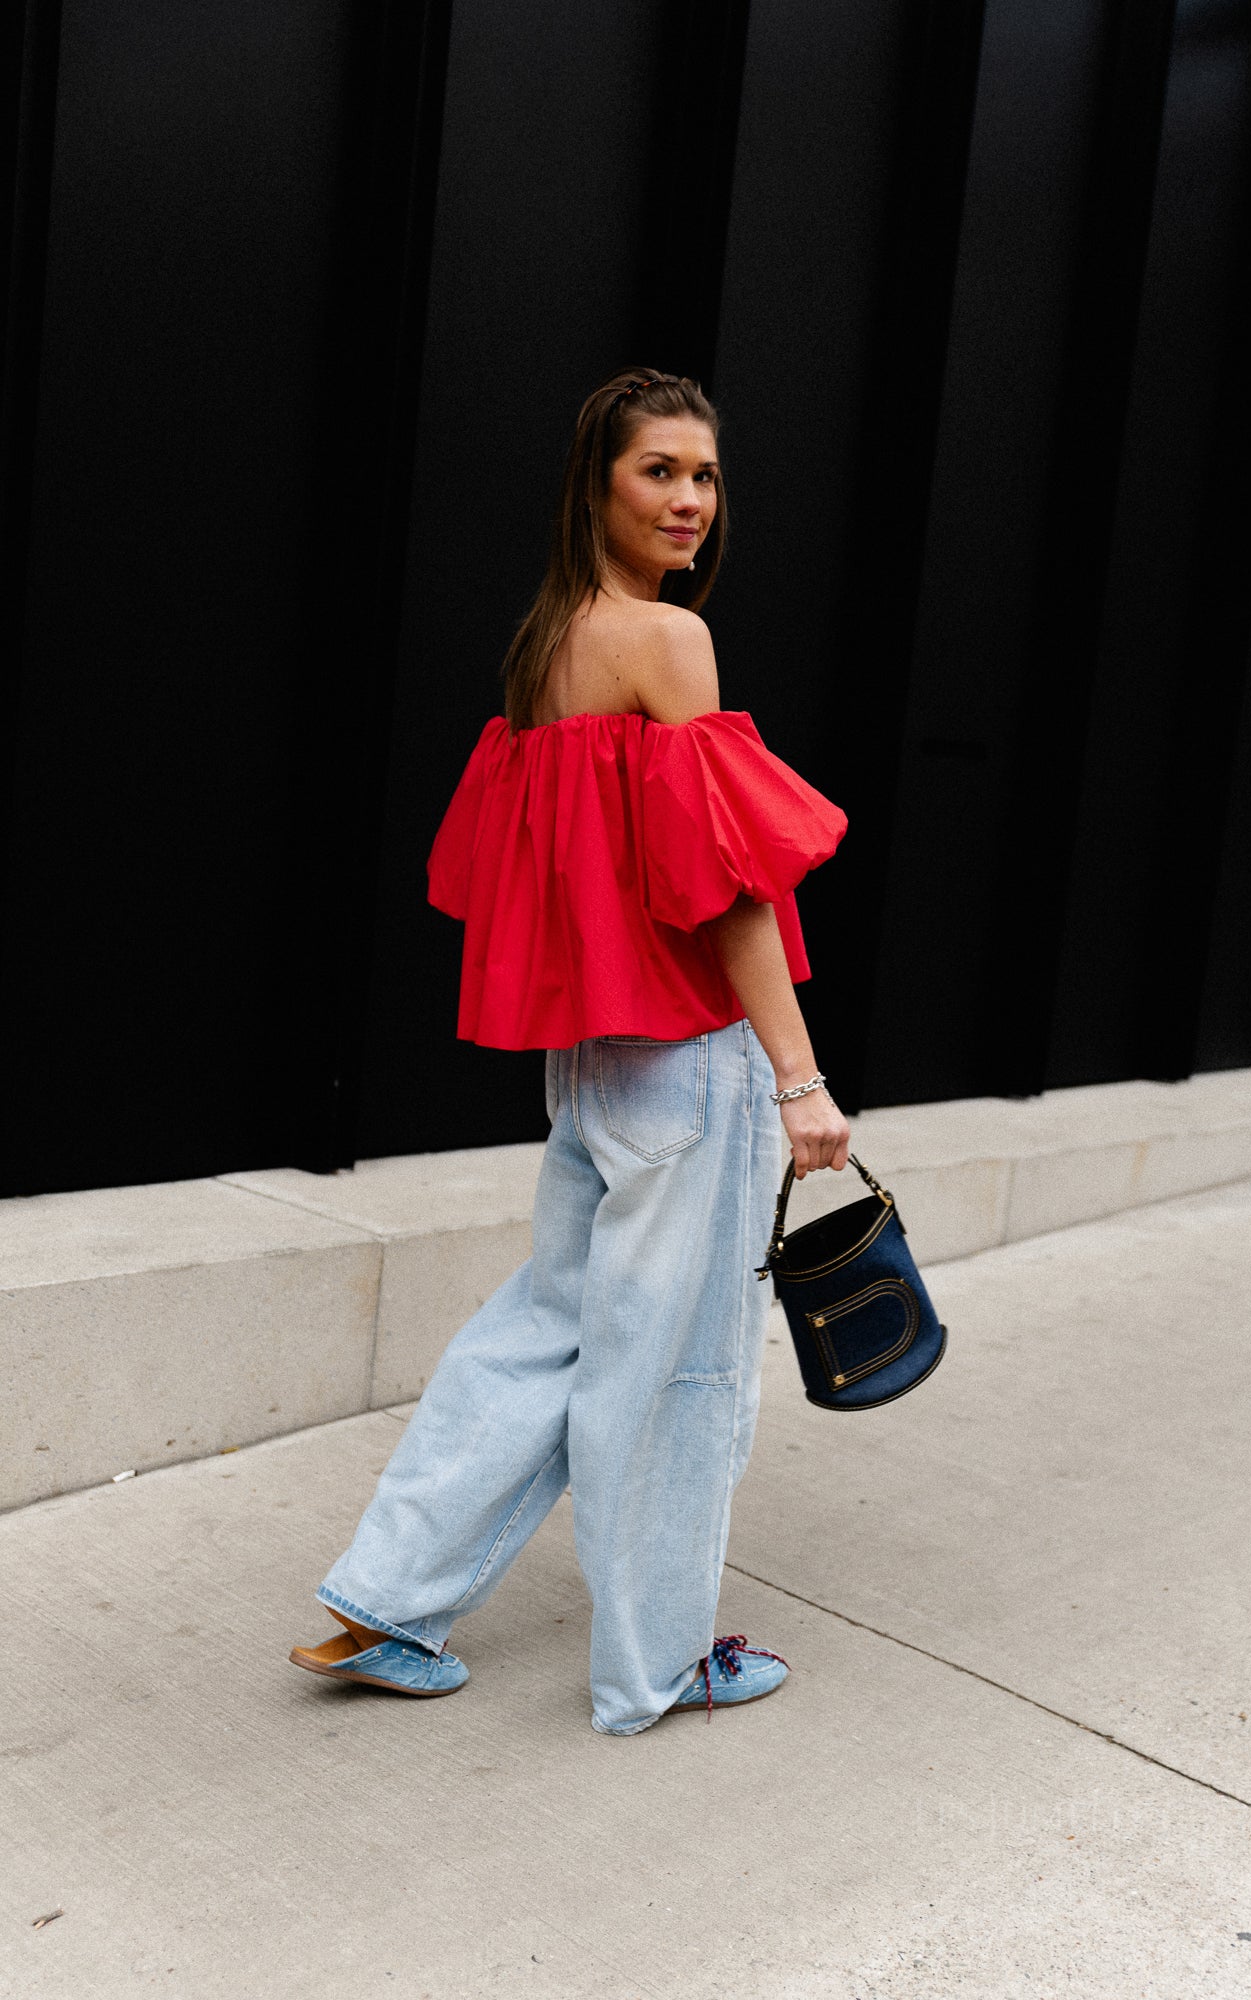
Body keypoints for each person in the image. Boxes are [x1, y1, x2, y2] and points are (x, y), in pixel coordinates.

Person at [289, 368, 849, 1734]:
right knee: (678, 1364)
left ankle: (390, 1597)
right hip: (687, 1062)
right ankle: (656, 1668)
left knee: (544, 1331)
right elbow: (720, 887)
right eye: (658, 471)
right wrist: (799, 1078)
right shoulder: (663, 643)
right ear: (596, 484)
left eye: (705, 477)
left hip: (595, 1064)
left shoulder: (550, 646)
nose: (689, 503)